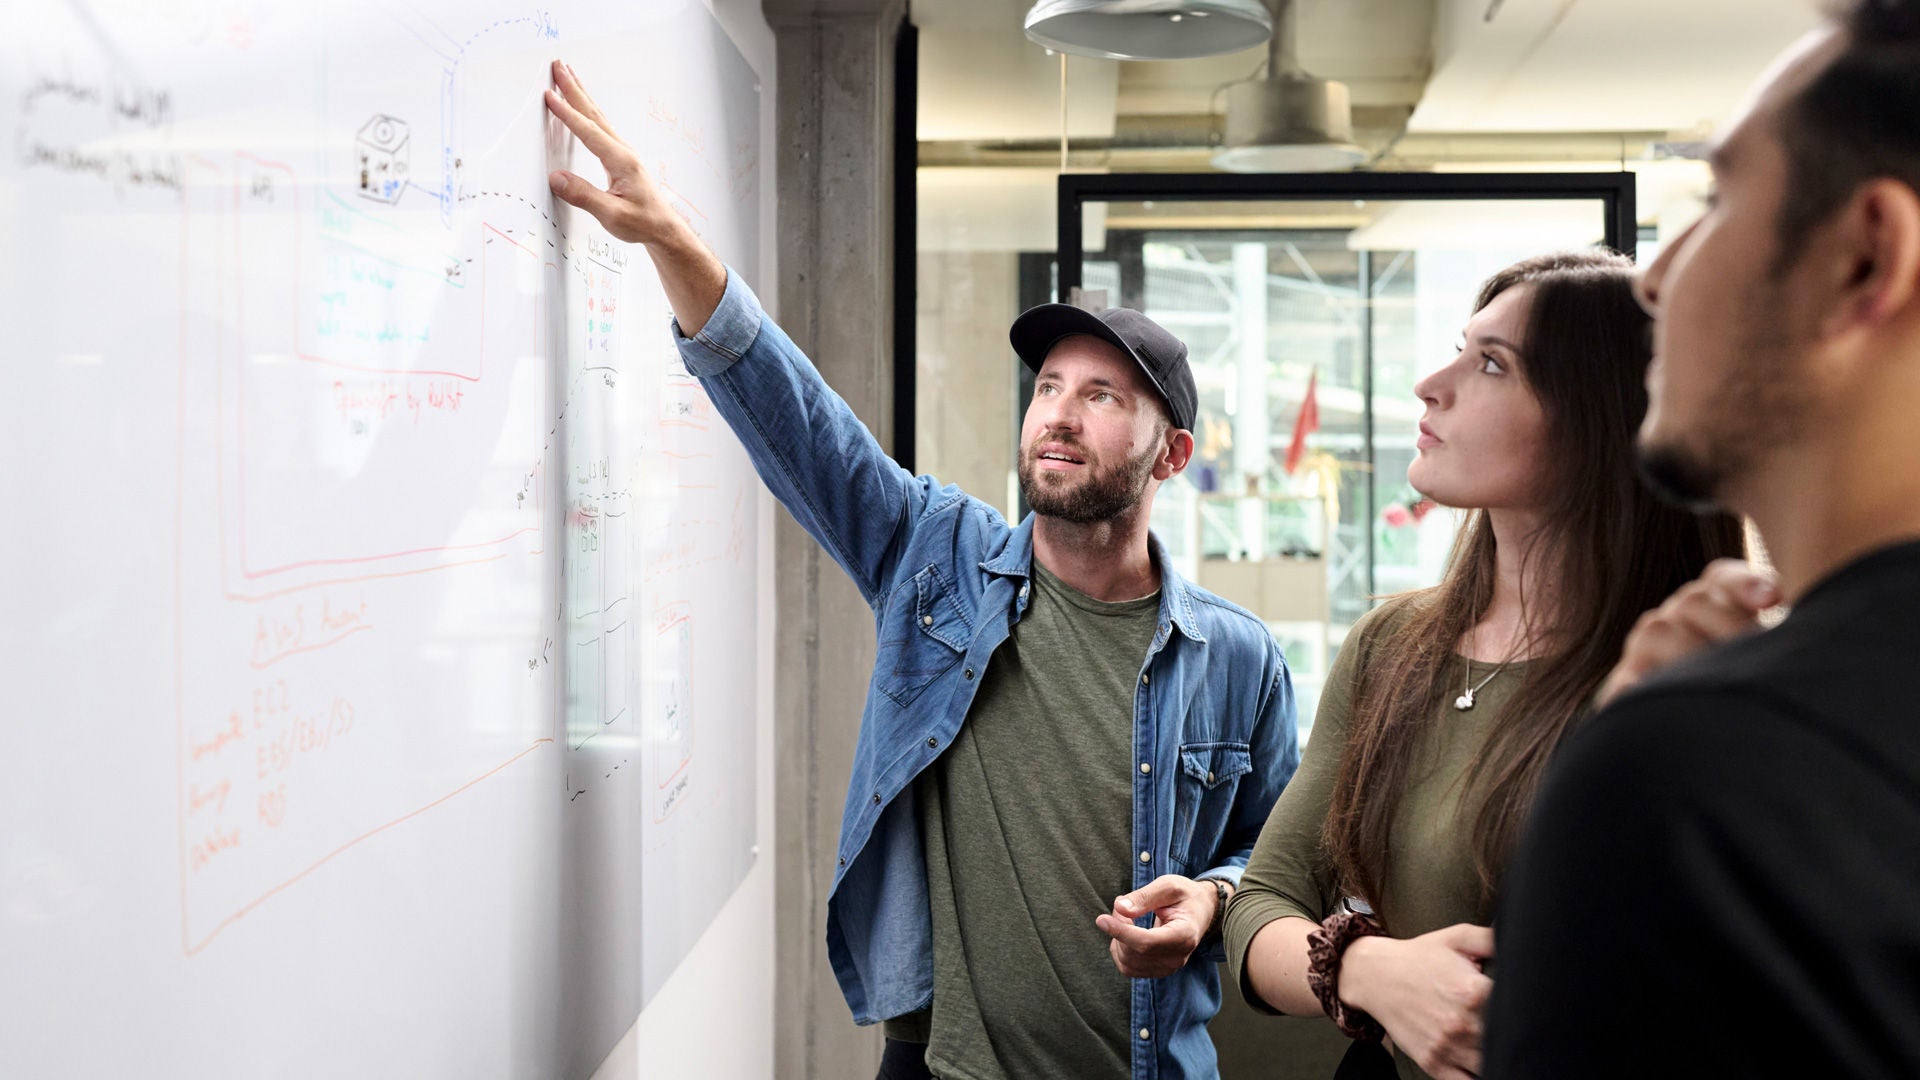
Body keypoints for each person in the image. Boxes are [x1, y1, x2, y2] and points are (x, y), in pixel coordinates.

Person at [539, 61, 1300, 1080]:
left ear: (1172, 455)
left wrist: (1211, 897)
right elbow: (803, 424)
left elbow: (1280, 866)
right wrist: (674, 240)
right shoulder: (940, 558)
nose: (1059, 414)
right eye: (1050, 386)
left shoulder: (1239, 658)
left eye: (1104, 397)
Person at [1485, 2, 1920, 1076]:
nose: (1653, 274)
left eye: (1718, 199)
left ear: (1864, 259)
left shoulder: (1691, 780)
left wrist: (1649, 761)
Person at [1222, 251, 1745, 1080]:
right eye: (1458, 350)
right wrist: (1368, 969)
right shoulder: (1390, 645)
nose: (1431, 385)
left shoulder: (1686, 674)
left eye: (1492, 363)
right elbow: (1260, 906)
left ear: (1598, 416)